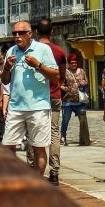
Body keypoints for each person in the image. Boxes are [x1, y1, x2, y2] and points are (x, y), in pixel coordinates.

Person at [0, 21, 59, 176]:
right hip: (16, 106)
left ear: (30, 34)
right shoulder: (11, 51)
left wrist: (38, 65)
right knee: (8, 146)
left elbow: (56, 76)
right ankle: (14, 180)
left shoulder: (43, 49)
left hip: (38, 106)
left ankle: (37, 183)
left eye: (20, 33)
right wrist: (6, 67)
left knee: (38, 148)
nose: (17, 37)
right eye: (14, 34)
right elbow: (5, 81)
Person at [34, 18, 66, 185]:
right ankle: (54, 172)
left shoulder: (32, 51)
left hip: (35, 99)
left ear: (36, 32)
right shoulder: (59, 51)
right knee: (54, 134)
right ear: (52, 32)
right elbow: (61, 75)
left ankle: (34, 169)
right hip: (54, 96)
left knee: (33, 135)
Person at [60, 54, 88, 146]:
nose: (74, 64)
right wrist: (64, 88)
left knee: (83, 121)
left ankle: (84, 138)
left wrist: (83, 83)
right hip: (68, 100)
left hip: (80, 100)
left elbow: (86, 82)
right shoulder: (65, 72)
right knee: (65, 120)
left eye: (75, 63)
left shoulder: (81, 71)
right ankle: (63, 137)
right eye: (72, 63)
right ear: (69, 63)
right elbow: (60, 84)